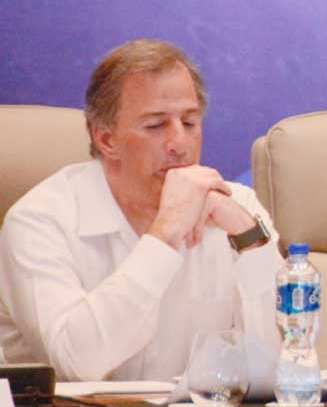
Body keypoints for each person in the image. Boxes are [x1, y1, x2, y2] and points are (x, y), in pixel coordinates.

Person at [0, 39, 282, 380]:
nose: (180, 143)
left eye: (190, 123)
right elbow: (77, 364)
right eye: (156, 125)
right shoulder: (39, 222)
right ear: (107, 140)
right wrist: (165, 232)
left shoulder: (237, 208)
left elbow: (286, 360)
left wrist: (248, 236)